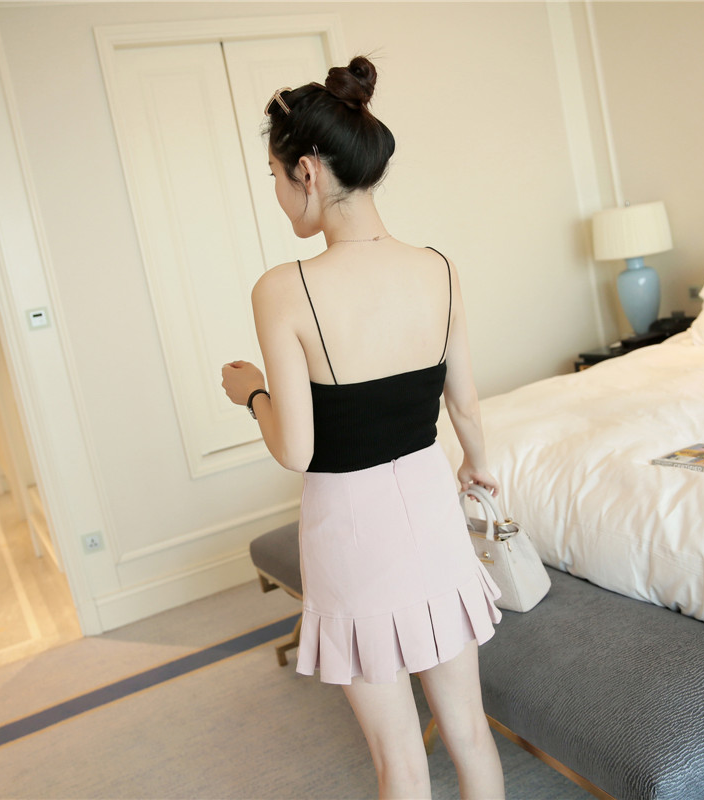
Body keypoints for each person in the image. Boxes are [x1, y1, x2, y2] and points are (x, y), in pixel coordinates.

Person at [222, 56, 505, 800]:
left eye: (275, 177)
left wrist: (251, 393)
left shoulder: (282, 289)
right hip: (431, 513)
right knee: (470, 733)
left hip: (352, 534)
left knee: (399, 760)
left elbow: (297, 449)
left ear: (307, 171)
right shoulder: (438, 267)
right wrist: (476, 464)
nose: (277, 195)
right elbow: (465, 405)